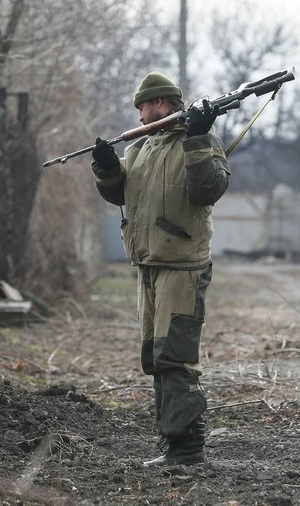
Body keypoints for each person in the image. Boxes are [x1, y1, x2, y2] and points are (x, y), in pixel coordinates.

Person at [91, 72, 230, 466]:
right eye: (138, 107)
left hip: (182, 267)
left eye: (146, 105)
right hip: (148, 264)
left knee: (176, 356)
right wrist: (106, 168)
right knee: (156, 355)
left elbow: (208, 190)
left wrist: (200, 138)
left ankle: (188, 448)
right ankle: (173, 443)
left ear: (166, 104)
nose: (140, 115)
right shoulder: (140, 149)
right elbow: (121, 192)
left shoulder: (196, 142)